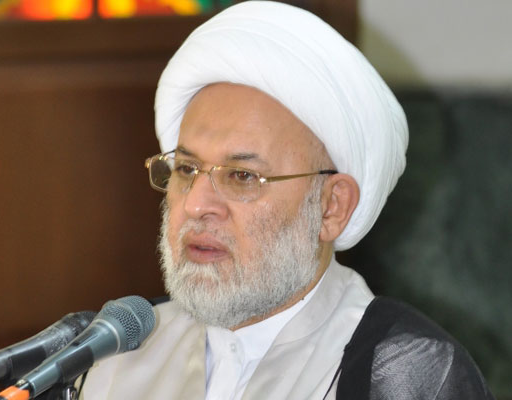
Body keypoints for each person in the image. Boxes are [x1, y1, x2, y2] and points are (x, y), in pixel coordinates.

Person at [80, 1, 494, 399]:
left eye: (242, 176)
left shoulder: (404, 375)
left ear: (331, 207)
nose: (196, 205)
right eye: (187, 169)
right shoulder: (116, 356)